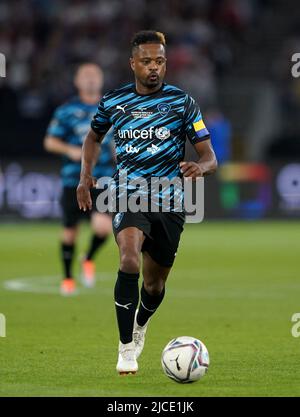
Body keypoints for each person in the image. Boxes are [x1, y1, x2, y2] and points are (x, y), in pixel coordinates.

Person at [77, 31, 217, 373]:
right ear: (133, 64)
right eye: (146, 62)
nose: (154, 68)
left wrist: (200, 167)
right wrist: (86, 176)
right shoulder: (114, 102)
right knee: (128, 261)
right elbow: (93, 137)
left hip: (170, 203)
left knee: (154, 286)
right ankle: (126, 348)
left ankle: (140, 324)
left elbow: (210, 156)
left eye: (159, 62)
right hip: (128, 195)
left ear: (165, 63)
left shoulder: (183, 103)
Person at [44, 63, 114, 296]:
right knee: (69, 232)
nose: (91, 79)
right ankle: (67, 278)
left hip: (103, 178)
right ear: (77, 81)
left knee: (103, 228)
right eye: (86, 75)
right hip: (73, 179)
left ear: (102, 79)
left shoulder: (112, 108)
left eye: (95, 74)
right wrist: (70, 150)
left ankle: (88, 258)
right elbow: (50, 141)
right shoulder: (66, 110)